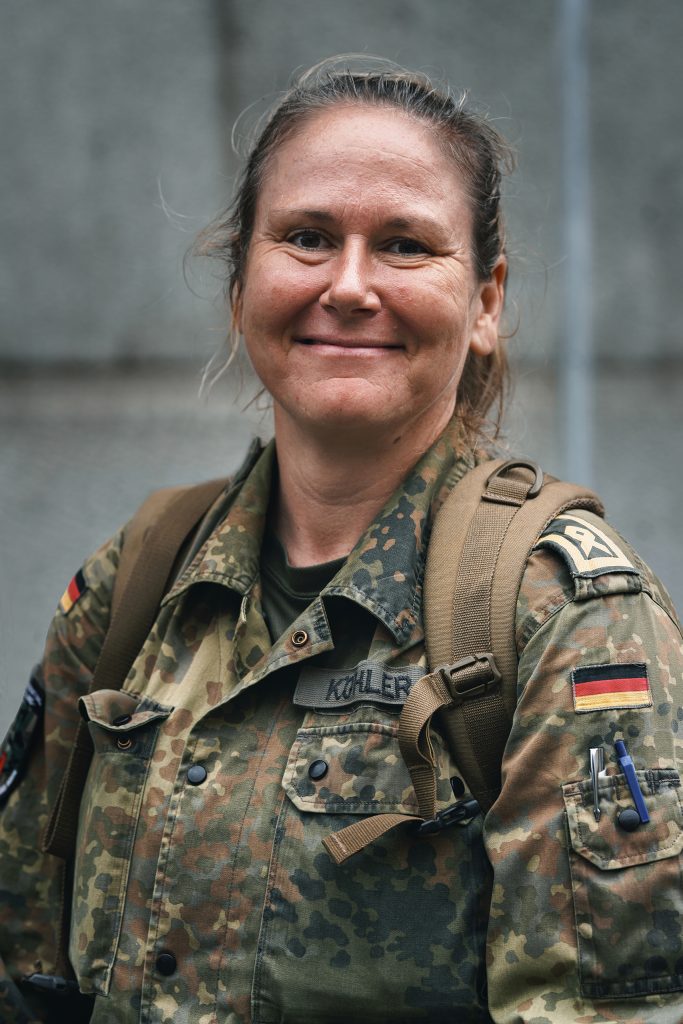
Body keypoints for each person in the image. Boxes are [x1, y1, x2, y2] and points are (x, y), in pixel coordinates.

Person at [1, 58, 682, 1024]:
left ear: (484, 302)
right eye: (307, 238)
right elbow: (21, 955)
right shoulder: (139, 580)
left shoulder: (563, 616)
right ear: (241, 285)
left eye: (404, 245)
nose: (350, 285)